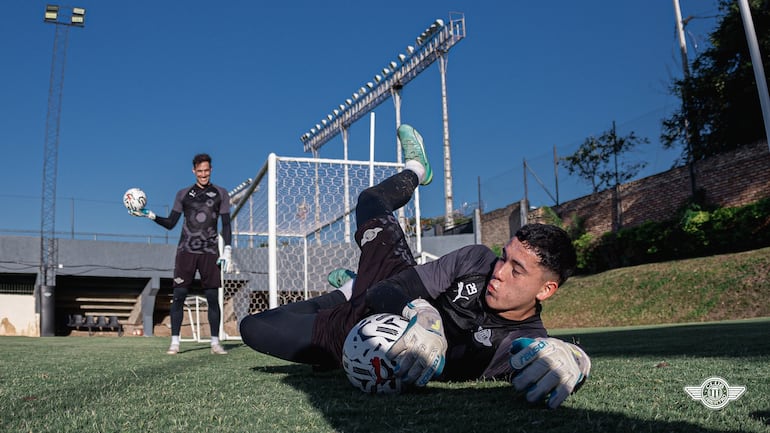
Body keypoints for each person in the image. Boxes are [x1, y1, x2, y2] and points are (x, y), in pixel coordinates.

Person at [239, 125, 590, 408]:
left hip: (355, 337)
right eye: (504, 256)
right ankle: (417, 169)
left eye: (517, 269)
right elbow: (387, 291)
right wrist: (423, 314)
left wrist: (577, 359)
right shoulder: (477, 260)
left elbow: (549, 361)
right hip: (386, 283)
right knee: (370, 202)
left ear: (547, 289)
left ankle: (347, 291)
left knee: (253, 328)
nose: (499, 271)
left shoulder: (525, 340)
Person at [129, 153, 232, 355]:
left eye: (207, 170)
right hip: (186, 251)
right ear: (193, 171)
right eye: (199, 171)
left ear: (211, 170)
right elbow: (170, 224)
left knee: (213, 297)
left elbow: (226, 224)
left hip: (210, 252)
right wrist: (149, 215)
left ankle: (215, 343)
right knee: (179, 295)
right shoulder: (183, 194)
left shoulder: (221, 193)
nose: (203, 174)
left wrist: (227, 249)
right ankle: (175, 343)